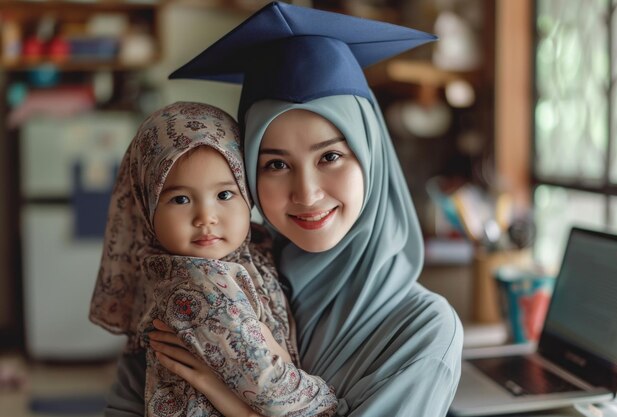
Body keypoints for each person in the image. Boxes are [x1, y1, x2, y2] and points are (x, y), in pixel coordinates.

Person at [105, 3, 464, 416]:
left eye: (330, 156)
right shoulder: (219, 275)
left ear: (371, 157)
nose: (307, 193)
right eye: (275, 164)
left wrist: (219, 389)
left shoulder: (422, 330)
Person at [89, 101, 337, 417]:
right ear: (148, 207)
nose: (206, 217)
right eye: (180, 199)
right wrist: (327, 400)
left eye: (224, 195)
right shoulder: (198, 283)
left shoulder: (253, 252)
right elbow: (270, 388)